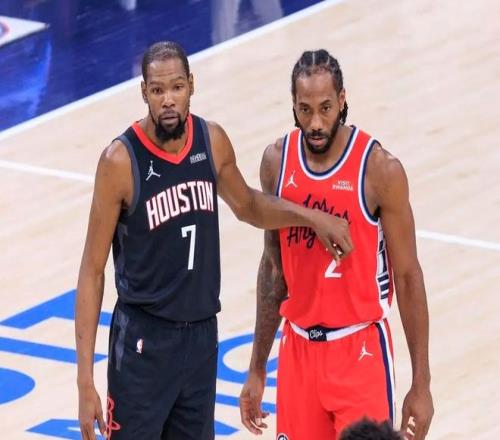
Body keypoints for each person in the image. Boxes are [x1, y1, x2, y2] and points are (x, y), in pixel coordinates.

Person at [75, 41, 352, 440]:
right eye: (157, 90)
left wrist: (312, 218)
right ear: (144, 92)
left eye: (176, 87)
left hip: (202, 338)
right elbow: (92, 271)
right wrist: (85, 380)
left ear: (191, 84)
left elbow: (249, 206)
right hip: (144, 343)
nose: (168, 100)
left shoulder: (212, 141)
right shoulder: (119, 161)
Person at [239, 49, 434, 440]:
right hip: (298, 352)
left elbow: (408, 276)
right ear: (293, 105)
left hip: (359, 351)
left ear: (342, 100)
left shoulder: (379, 170)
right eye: (305, 109)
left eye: (325, 108)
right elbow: (274, 269)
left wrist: (421, 382)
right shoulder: (276, 162)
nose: (315, 122)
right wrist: (257, 367)